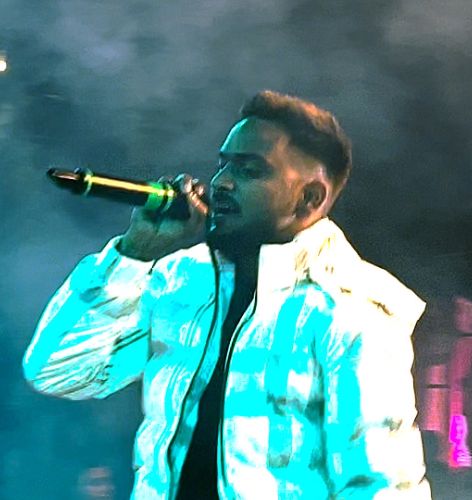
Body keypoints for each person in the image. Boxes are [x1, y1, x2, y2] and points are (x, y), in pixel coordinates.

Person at [23, 90, 431, 499]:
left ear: (309, 198)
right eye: (223, 165)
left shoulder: (352, 309)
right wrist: (133, 254)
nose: (221, 183)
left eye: (249, 170)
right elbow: (59, 373)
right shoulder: (180, 281)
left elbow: (381, 486)